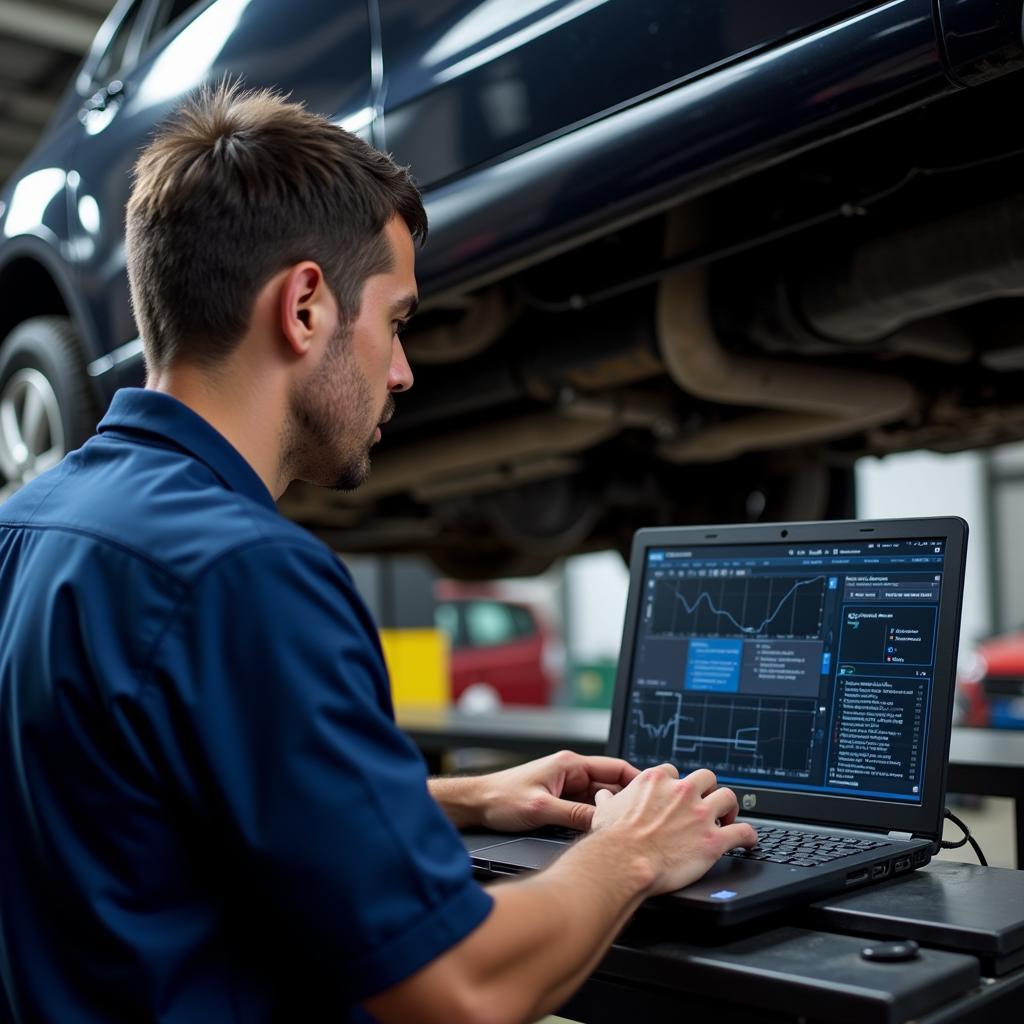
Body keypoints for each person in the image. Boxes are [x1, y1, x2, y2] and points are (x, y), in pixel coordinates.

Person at [0, 82, 756, 1024]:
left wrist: (457, 798)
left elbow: (136, 803)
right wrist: (634, 847)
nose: (401, 371)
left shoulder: (28, 528)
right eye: (396, 321)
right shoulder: (244, 572)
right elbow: (461, 988)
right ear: (307, 306)